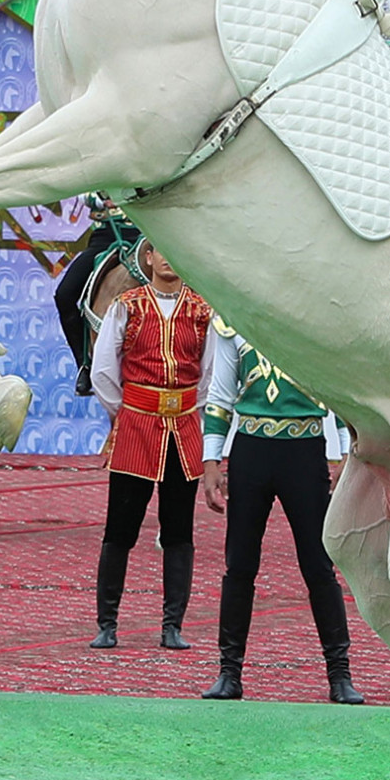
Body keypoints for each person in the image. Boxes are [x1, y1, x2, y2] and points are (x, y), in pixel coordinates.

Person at [199, 321, 364, 705]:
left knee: (319, 566)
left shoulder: (312, 318)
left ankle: (340, 675)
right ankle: (229, 672)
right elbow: (220, 396)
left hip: (304, 450)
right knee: (239, 564)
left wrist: (342, 454)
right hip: (251, 450)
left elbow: (338, 395)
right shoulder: (232, 319)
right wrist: (211, 460)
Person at [88, 241, 214, 650]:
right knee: (120, 528)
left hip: (184, 429)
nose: (167, 258)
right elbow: (105, 368)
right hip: (136, 427)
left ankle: (172, 625)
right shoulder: (127, 305)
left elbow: (210, 375)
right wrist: (127, 410)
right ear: (147, 256)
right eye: (159, 249)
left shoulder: (201, 310)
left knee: (178, 530)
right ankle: (107, 623)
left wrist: (193, 411)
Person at [54, 196, 143, 395]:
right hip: (105, 236)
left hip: (146, 234)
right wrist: (101, 200)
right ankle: (85, 365)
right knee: (64, 295)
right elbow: (85, 190)